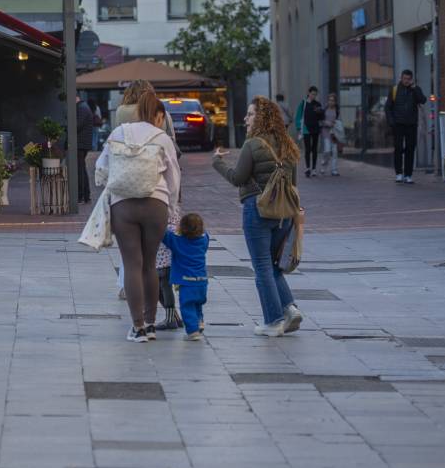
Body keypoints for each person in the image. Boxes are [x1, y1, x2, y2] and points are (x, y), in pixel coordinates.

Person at [212, 96, 304, 336]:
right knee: (273, 265)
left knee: (262, 266)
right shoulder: (288, 145)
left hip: (258, 209)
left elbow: (237, 178)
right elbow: (293, 185)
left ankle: (273, 321)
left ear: (261, 118)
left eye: (250, 114)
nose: (246, 118)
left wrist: (217, 162)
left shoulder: (252, 145)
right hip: (284, 212)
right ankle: (290, 308)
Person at [96, 91, 181, 343]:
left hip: (124, 205)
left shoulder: (119, 132)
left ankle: (138, 327)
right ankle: (152, 323)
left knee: (132, 264)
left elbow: (101, 165)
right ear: (158, 115)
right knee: (150, 263)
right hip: (156, 205)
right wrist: (172, 206)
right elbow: (174, 177)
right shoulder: (162, 138)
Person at [162, 212, 210, 341]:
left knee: (187, 305)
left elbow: (164, 234)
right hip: (202, 281)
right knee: (197, 304)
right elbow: (206, 236)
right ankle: (199, 322)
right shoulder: (204, 239)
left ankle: (192, 331)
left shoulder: (178, 241)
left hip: (187, 282)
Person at [387, 69, 427, 183]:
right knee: (398, 148)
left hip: (411, 124)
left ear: (411, 79)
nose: (406, 81)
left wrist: (415, 89)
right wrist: (391, 121)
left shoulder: (415, 89)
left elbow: (423, 100)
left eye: (408, 79)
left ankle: (408, 175)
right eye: (404, 78)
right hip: (398, 124)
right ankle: (399, 173)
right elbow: (388, 107)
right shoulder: (394, 90)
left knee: (410, 149)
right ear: (401, 78)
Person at [300, 87, 325, 178]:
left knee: (314, 149)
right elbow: (299, 116)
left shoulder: (318, 104)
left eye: (315, 94)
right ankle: (307, 168)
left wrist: (320, 112)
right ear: (308, 93)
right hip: (306, 129)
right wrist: (299, 128)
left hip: (315, 128)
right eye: (313, 94)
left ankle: (314, 169)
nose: (314, 96)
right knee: (307, 149)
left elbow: (322, 117)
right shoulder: (304, 104)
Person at [75, 94, 94, 204]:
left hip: (80, 143)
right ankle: (85, 196)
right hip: (82, 143)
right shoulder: (83, 107)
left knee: (80, 170)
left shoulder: (81, 108)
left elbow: (77, 125)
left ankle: (82, 196)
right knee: (81, 169)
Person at [320, 92, 341, 177]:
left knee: (335, 152)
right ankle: (323, 165)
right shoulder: (324, 110)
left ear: (335, 102)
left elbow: (339, 120)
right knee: (327, 151)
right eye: (330, 100)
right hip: (326, 133)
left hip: (334, 133)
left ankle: (334, 170)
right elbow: (321, 121)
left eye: (333, 100)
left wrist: (336, 123)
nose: (331, 102)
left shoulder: (337, 110)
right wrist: (327, 123)